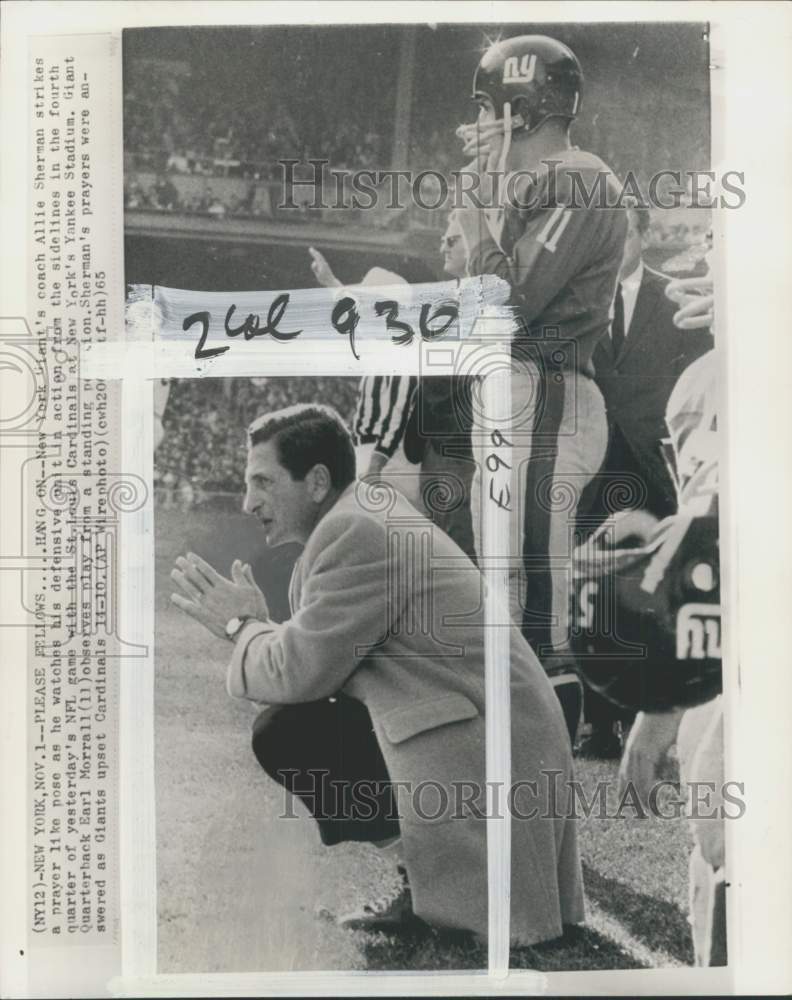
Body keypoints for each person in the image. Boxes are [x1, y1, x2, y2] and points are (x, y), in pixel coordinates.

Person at [169, 403, 584, 944]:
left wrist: (238, 624)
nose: (249, 502)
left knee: (287, 733)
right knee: (295, 722)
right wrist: (258, 626)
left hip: (489, 752)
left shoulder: (355, 531)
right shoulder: (359, 516)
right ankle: (423, 884)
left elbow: (297, 675)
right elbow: (314, 666)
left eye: (263, 482)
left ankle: (435, 891)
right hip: (490, 739)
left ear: (317, 481)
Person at [455, 35, 627, 740]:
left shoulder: (579, 177)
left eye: (493, 108)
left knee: (530, 589)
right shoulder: (541, 182)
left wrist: (473, 215)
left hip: (548, 392)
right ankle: (511, 753)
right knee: (504, 583)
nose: (480, 123)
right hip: (521, 390)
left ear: (523, 111)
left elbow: (511, 299)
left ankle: (539, 763)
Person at [580, 204, 714, 756]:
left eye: (621, 230)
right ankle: (599, 723)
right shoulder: (579, 297)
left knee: (659, 594)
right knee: (598, 590)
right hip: (595, 466)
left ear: (643, 234)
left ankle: (659, 717)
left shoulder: (680, 297)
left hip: (657, 467)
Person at [308, 248, 421, 506]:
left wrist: (375, 466)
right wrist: (330, 282)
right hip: (377, 457)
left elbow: (397, 412)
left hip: (390, 463)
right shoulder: (385, 337)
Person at [402, 211, 478, 561]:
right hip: (436, 452)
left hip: (461, 454)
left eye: (452, 240)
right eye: (443, 240)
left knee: (456, 559)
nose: (443, 246)